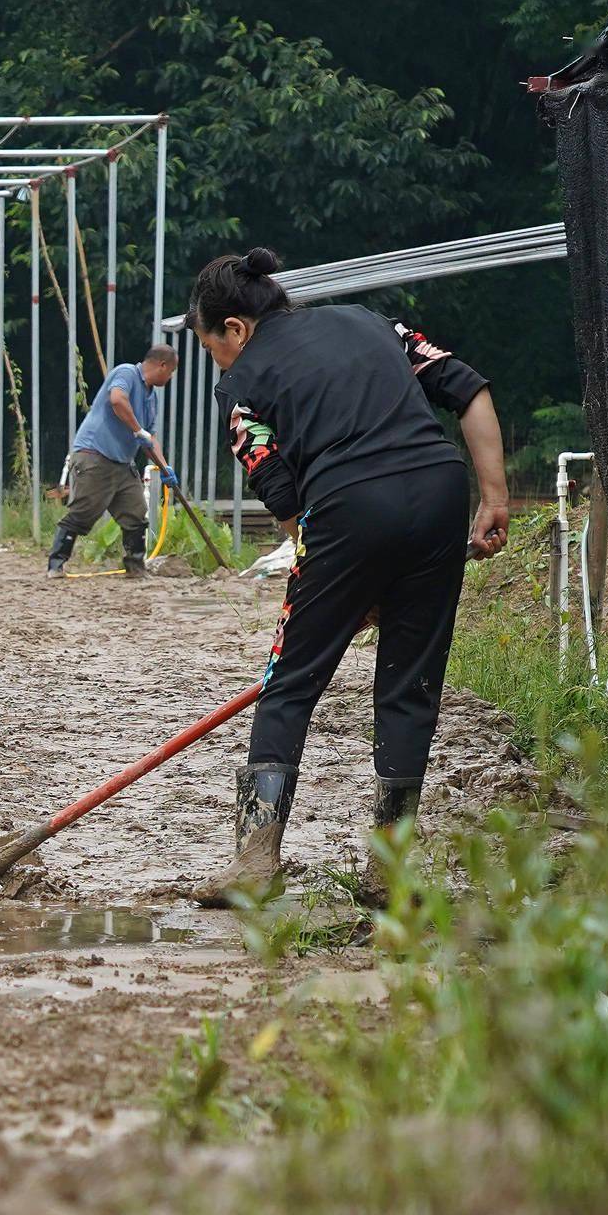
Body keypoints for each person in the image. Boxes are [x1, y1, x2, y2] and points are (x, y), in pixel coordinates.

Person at [183, 248, 508, 908]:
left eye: (212, 347)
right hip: (441, 491)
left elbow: (284, 496)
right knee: (409, 687)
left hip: (348, 505)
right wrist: (494, 495)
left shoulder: (243, 384)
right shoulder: (372, 323)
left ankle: (255, 862)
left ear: (236, 330)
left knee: (288, 683)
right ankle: (389, 870)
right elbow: (466, 387)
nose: (218, 361)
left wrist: (343, 582)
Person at [47, 345, 177, 578]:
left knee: (136, 512)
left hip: (122, 463)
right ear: (162, 365)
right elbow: (117, 400)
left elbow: (150, 438)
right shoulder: (126, 373)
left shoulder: (151, 398)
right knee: (83, 512)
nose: (170, 377)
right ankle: (55, 565)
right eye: (171, 372)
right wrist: (137, 430)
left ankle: (136, 567)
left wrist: (164, 466)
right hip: (95, 455)